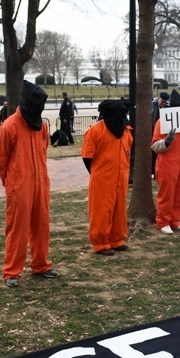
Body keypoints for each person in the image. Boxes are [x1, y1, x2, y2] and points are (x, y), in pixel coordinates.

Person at [0, 81, 58, 287]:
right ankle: (12, 271)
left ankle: (41, 264)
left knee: (41, 225)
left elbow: (43, 151)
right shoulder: (10, 126)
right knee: (17, 228)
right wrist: (11, 182)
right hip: (19, 185)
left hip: (41, 182)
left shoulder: (42, 126)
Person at [81, 100, 132, 255]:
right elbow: (87, 156)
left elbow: (127, 151)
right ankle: (101, 243)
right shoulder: (96, 130)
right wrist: (98, 172)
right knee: (101, 211)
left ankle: (117, 240)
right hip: (102, 177)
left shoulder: (126, 131)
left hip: (121, 176)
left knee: (119, 210)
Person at [152, 89, 180, 234]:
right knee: (166, 194)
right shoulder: (162, 122)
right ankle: (163, 221)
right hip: (167, 163)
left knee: (179, 194)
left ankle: (175, 220)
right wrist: (167, 141)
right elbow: (155, 146)